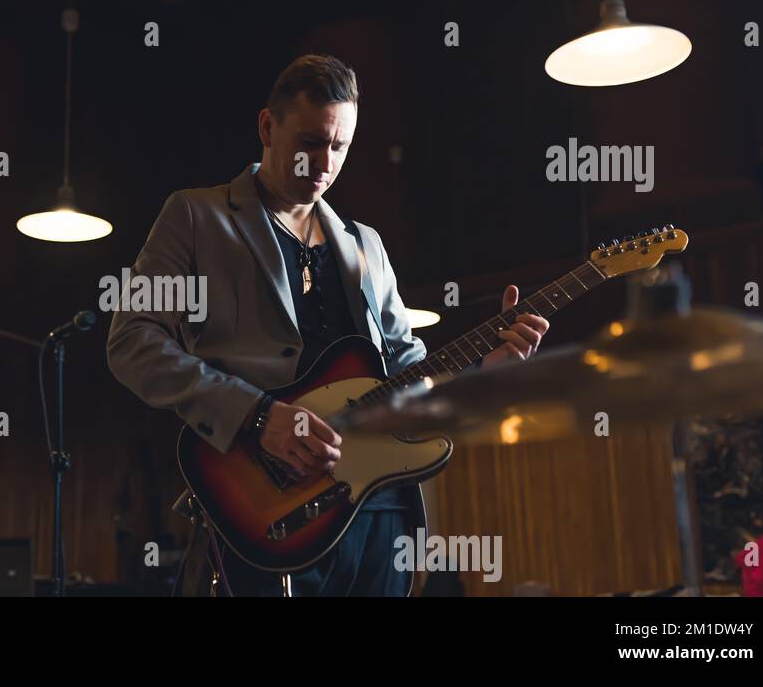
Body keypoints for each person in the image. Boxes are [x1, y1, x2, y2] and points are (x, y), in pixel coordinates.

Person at [107, 54, 548, 596]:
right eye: (311, 142)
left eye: (339, 147)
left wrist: (480, 374)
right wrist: (257, 416)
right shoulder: (197, 217)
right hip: (266, 504)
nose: (324, 163)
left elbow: (407, 369)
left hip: (381, 507)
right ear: (268, 127)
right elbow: (132, 341)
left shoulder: (366, 245)